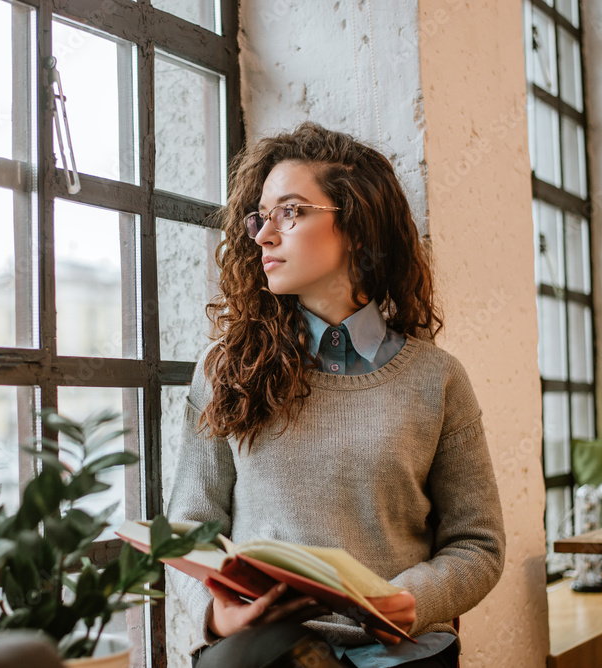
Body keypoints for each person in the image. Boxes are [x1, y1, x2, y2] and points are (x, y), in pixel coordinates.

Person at [165, 122, 506, 668]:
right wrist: (215, 614)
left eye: (291, 212)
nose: (263, 235)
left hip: (404, 652)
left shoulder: (437, 380)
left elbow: (478, 545)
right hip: (268, 650)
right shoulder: (225, 370)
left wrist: (409, 599)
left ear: (358, 228)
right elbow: (189, 526)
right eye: (262, 215)